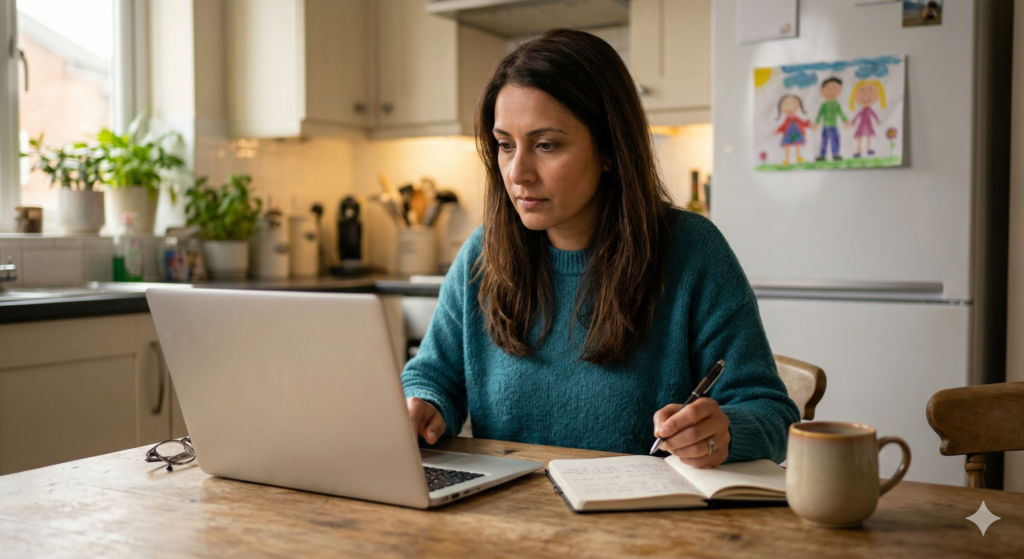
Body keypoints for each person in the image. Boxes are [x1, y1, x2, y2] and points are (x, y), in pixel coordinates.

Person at [401, 29, 799, 468]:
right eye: (505, 145)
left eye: (547, 145)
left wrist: (723, 432)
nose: (517, 173)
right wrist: (426, 403)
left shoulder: (692, 251)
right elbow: (434, 375)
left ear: (609, 148)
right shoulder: (482, 255)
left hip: (648, 526)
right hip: (509, 519)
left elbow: (770, 412)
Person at [849, 80, 886, 158]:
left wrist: (878, 121)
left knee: (868, 136)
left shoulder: (869, 110)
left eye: (870, 90)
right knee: (860, 137)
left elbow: (874, 115)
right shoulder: (862, 110)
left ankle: (869, 150)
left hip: (868, 125)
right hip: (862, 126)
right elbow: (857, 116)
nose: (866, 94)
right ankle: (859, 151)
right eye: (862, 91)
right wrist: (852, 122)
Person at [774, 94, 812, 166]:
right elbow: (783, 126)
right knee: (787, 145)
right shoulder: (787, 119)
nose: (789, 106)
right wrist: (778, 131)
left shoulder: (796, 117)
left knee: (797, 144)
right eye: (786, 104)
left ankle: (798, 157)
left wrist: (808, 125)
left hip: (796, 133)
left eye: (793, 103)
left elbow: (802, 122)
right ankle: (787, 159)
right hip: (788, 133)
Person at [815, 77, 847, 162]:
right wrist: (816, 123)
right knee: (824, 140)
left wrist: (845, 121)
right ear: (822, 90)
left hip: (834, 126)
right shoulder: (824, 104)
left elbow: (840, 113)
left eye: (835, 88)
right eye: (828, 88)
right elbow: (820, 114)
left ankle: (836, 154)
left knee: (835, 139)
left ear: (840, 90)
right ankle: (822, 155)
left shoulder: (837, 104)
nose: (831, 91)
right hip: (826, 126)